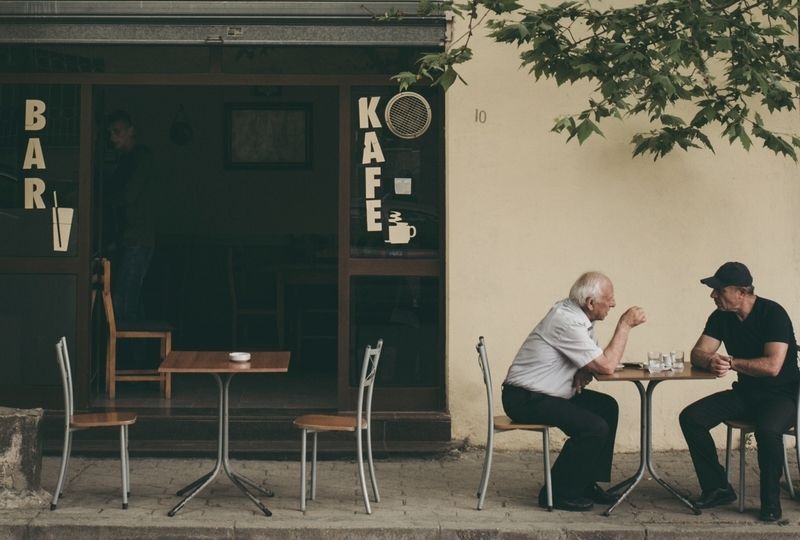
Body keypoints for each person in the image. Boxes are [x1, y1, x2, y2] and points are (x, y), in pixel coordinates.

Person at [502, 271, 647, 511]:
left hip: (548, 393)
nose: (613, 303)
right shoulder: (567, 320)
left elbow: (595, 360)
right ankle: (558, 492)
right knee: (593, 427)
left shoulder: (579, 317)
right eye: (609, 299)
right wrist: (624, 325)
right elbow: (607, 365)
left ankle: (584, 482)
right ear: (591, 303)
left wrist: (585, 368)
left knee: (606, 407)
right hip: (525, 398)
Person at [679, 261, 799, 522]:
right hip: (746, 394)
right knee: (691, 417)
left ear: (742, 292)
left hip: (783, 395)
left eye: (719, 290)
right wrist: (709, 360)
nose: (713, 295)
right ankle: (717, 488)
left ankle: (770, 503)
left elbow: (773, 366)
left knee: (768, 430)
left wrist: (732, 362)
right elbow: (697, 352)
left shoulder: (773, 313)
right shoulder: (721, 316)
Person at [106, 110, 158, 322]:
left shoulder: (140, 158)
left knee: (124, 301)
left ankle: (129, 355)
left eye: (116, 132)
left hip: (137, 239)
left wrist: (105, 196)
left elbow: (128, 195)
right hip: (129, 239)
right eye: (110, 133)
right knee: (130, 301)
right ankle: (139, 355)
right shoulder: (128, 160)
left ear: (131, 131)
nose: (112, 138)